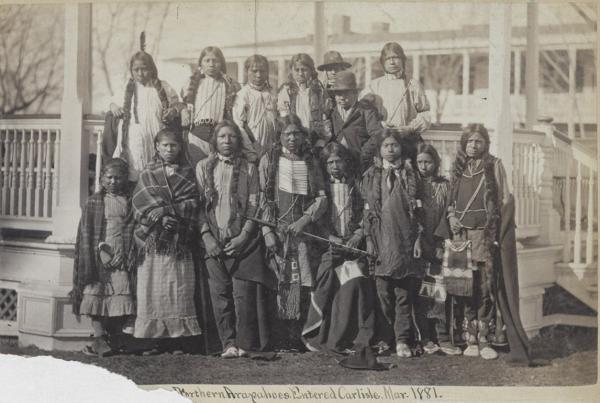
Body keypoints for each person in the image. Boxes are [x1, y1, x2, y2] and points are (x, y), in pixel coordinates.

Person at [440, 123, 531, 363]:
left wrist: (498, 233)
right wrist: (451, 217)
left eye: (478, 141)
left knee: (483, 286)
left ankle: (485, 339)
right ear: (463, 143)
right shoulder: (458, 168)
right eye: (469, 141)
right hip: (461, 236)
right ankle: (469, 338)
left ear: (485, 144)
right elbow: (450, 201)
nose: (473, 145)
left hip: (483, 235)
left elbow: (505, 199)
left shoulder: (495, 166)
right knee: (463, 286)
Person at [196, 120, 276, 358]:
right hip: (212, 238)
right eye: (222, 137)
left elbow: (255, 204)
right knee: (219, 294)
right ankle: (226, 343)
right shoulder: (203, 166)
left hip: (242, 239)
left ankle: (243, 343)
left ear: (238, 140)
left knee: (242, 294)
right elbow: (198, 206)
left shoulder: (249, 168)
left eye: (231, 136)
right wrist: (207, 236)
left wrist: (243, 235)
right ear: (215, 141)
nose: (227, 141)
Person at [259, 114, 328, 349]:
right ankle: (278, 336)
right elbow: (263, 197)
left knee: (302, 282)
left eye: (296, 133)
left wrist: (305, 220)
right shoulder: (269, 160)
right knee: (278, 281)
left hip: (302, 234)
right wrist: (267, 231)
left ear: (302, 136)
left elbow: (321, 198)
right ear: (279, 136)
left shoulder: (311, 162)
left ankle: (297, 335)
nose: (291, 138)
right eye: (286, 133)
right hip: (276, 231)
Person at [131, 128, 202, 353]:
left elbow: (193, 203)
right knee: (153, 288)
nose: (169, 149)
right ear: (157, 147)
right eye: (165, 145)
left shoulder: (188, 173)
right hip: (154, 241)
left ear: (180, 148)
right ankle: (154, 340)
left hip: (178, 241)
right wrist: (160, 220)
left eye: (174, 145)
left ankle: (178, 339)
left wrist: (169, 213)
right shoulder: (147, 174)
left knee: (177, 288)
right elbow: (138, 205)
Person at [302, 142, 375, 354]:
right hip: (329, 248)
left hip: (353, 249)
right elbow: (317, 222)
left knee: (355, 282)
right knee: (326, 282)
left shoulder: (357, 186)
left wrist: (357, 235)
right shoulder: (321, 191)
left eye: (338, 161)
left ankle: (348, 338)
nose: (334, 166)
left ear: (346, 162)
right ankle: (319, 336)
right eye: (329, 162)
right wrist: (331, 237)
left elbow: (366, 215)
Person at [361, 130, 423, 357]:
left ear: (401, 148)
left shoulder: (410, 175)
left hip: (405, 240)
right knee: (382, 294)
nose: (390, 149)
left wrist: (417, 239)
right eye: (386, 145)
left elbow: (419, 213)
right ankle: (385, 338)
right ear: (379, 149)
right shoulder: (371, 175)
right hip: (380, 240)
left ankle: (402, 340)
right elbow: (367, 211)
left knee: (403, 295)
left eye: (394, 145)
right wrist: (369, 238)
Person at [70, 158, 136, 357]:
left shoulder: (130, 202)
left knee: (119, 298)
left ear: (125, 179)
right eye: (109, 177)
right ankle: (98, 338)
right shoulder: (94, 202)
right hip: (99, 255)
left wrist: (124, 253)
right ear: (101, 179)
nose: (114, 181)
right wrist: (100, 255)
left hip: (122, 254)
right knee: (96, 296)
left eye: (118, 178)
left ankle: (113, 339)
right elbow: (86, 234)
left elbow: (133, 230)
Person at [109, 32, 180, 181]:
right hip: (133, 137)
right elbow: (113, 102)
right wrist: (114, 106)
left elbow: (177, 104)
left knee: (156, 172)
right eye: (136, 70)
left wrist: (173, 111)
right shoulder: (127, 87)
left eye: (144, 68)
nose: (140, 73)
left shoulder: (162, 87)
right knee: (136, 169)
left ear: (152, 69)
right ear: (132, 71)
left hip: (157, 134)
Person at [414, 144, 462, 356]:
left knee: (440, 292)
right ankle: (426, 337)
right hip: (419, 245)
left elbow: (448, 212)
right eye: (420, 162)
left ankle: (443, 337)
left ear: (436, 163)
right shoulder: (413, 185)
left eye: (428, 162)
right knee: (425, 292)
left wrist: (442, 241)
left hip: (439, 244)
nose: (424, 166)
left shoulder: (445, 186)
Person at [360, 42, 431, 164]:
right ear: (383, 62)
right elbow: (363, 111)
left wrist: (409, 128)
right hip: (384, 143)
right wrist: (380, 125)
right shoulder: (374, 85)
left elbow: (425, 114)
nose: (392, 62)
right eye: (388, 59)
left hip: (408, 141)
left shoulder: (413, 84)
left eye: (396, 57)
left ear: (403, 60)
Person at [180, 46, 241, 165]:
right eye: (207, 60)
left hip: (219, 135)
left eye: (215, 61)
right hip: (197, 133)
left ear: (221, 63)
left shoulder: (230, 84)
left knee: (217, 169)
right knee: (198, 169)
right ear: (201, 63)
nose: (211, 64)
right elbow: (181, 103)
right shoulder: (192, 82)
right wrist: (183, 110)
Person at [327, 70, 384, 172]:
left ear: (355, 93)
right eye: (338, 94)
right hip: (340, 165)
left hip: (362, 163)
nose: (342, 98)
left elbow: (377, 134)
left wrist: (364, 153)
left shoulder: (366, 110)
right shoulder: (333, 113)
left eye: (346, 93)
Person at [277, 53, 331, 149]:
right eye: (297, 70)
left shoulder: (319, 90)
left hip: (316, 139)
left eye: (304, 70)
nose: (300, 73)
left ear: (311, 70)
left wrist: (324, 139)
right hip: (294, 139)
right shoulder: (286, 91)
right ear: (292, 71)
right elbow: (285, 119)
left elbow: (325, 118)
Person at [233, 55, 278, 163]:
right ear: (247, 71)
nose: (258, 75)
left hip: (271, 148)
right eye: (254, 71)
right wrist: (251, 151)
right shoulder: (243, 95)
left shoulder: (272, 94)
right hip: (252, 147)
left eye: (262, 71)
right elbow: (240, 125)